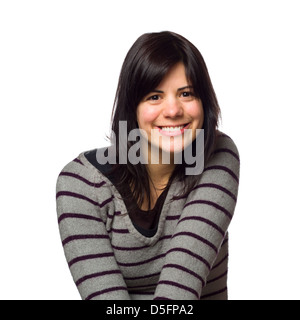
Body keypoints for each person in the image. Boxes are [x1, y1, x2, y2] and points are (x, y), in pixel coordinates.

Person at [56, 31, 240, 300]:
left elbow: (179, 291)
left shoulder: (218, 156)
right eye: (154, 97)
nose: (174, 110)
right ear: (132, 109)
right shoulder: (79, 185)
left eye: (186, 93)